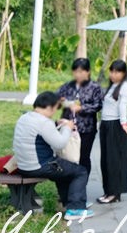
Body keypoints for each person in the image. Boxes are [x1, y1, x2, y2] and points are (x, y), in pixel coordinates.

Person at [12, 91, 94, 220]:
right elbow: (60, 143)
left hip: (24, 166)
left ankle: (72, 202)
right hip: (40, 167)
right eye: (55, 108)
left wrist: (57, 124)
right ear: (50, 107)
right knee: (80, 171)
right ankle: (75, 209)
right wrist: (67, 127)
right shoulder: (44, 122)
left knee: (65, 170)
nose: (55, 112)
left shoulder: (25, 117)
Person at [56, 58, 103, 175]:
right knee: (66, 155)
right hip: (67, 126)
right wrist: (59, 101)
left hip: (86, 128)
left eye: (81, 71)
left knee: (83, 157)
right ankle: (67, 184)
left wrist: (82, 108)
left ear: (88, 72)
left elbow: (98, 105)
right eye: (75, 71)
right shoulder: (67, 86)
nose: (78, 74)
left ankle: (81, 185)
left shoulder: (94, 87)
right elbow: (53, 100)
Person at [98, 59, 127, 204]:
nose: (113, 74)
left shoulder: (126, 86)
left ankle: (114, 193)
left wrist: (124, 123)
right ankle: (108, 191)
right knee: (105, 161)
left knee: (114, 161)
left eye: (117, 71)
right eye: (112, 71)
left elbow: (123, 105)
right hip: (106, 125)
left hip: (116, 126)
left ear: (124, 73)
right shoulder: (112, 86)